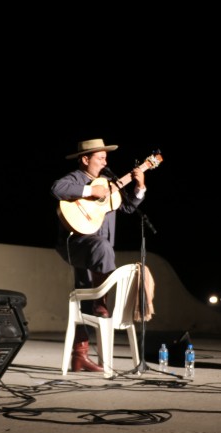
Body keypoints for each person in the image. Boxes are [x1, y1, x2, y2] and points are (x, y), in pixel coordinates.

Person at [52, 138, 147, 372]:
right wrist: (90, 190)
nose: (106, 160)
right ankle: (101, 302)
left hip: (97, 250)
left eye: (106, 157)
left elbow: (126, 207)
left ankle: (79, 355)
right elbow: (57, 189)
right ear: (86, 159)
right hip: (77, 243)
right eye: (101, 157)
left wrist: (139, 185)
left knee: (83, 289)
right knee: (102, 247)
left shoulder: (110, 181)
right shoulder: (76, 178)